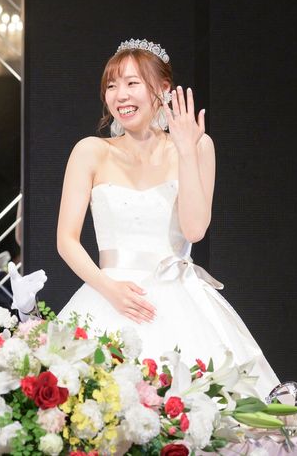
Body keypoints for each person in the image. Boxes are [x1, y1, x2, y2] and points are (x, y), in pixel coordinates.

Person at [57, 38, 279, 398]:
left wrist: (187, 150)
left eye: (132, 83)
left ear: (162, 89)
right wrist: (108, 288)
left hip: (180, 301)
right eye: (111, 86)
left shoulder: (199, 146)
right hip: (108, 295)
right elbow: (66, 240)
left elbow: (195, 229)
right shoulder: (91, 151)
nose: (120, 95)